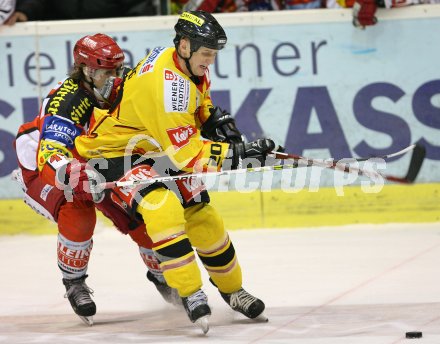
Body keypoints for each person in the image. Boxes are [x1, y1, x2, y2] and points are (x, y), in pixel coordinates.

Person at [74, 11, 278, 333]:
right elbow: (188, 154)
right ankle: (192, 292)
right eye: (206, 53)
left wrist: (212, 120)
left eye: (213, 54)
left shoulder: (186, 63)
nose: (210, 61)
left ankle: (233, 290)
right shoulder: (167, 87)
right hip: (116, 154)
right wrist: (238, 155)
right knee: (164, 210)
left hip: (154, 145)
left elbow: (198, 103)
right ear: (184, 45)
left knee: (204, 217)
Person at [12, 33, 180, 326]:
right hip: (45, 169)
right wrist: (72, 173)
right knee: (77, 207)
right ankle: (74, 282)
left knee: (141, 209)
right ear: (88, 71)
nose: (115, 77)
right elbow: (50, 153)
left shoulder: (122, 82)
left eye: (117, 69)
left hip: (96, 162)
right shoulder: (66, 100)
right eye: (107, 71)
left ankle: (161, 274)